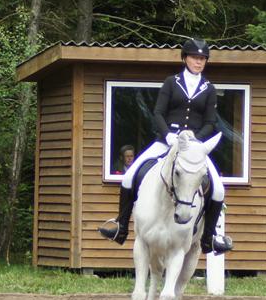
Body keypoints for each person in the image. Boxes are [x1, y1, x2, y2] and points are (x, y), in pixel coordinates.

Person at [98, 38, 233, 254]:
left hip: (195, 147)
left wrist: (195, 141)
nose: (199, 62)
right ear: (185, 58)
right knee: (129, 176)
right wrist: (169, 136)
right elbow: (158, 112)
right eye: (195, 58)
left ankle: (210, 238)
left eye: (202, 59)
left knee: (218, 189)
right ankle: (121, 227)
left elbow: (210, 122)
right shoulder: (171, 82)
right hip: (165, 142)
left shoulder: (209, 88)